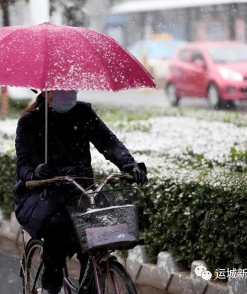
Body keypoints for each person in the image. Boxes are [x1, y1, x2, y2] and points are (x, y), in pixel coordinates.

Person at [13, 90, 148, 294]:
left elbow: (108, 141)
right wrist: (35, 173)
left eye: (72, 88)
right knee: (57, 225)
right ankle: (51, 286)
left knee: (95, 233)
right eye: (61, 89)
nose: (68, 93)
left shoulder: (83, 113)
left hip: (80, 191)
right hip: (42, 194)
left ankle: (90, 285)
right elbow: (22, 166)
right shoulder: (30, 121)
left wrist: (129, 166)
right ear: (48, 92)